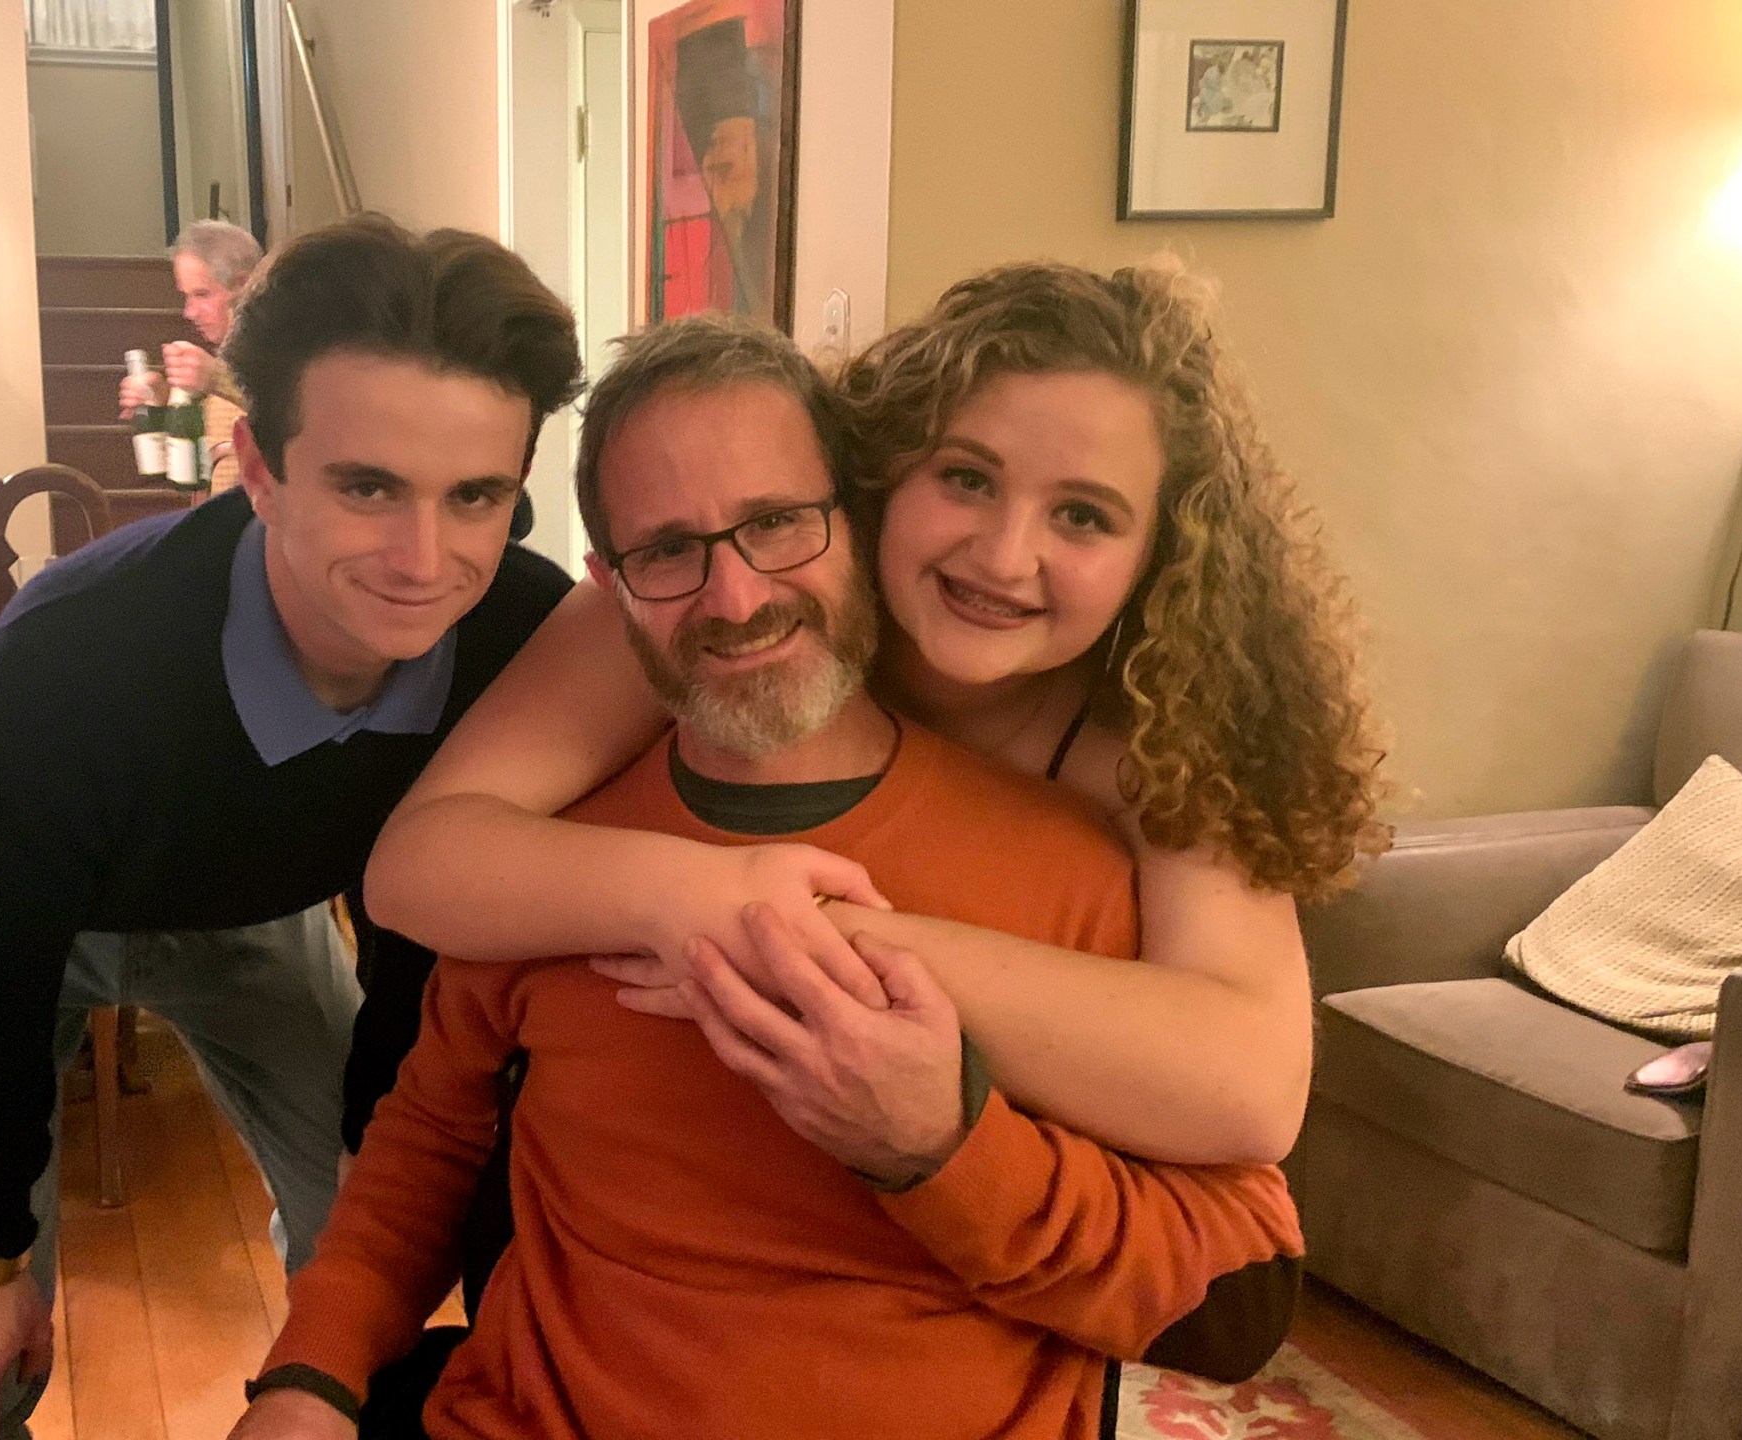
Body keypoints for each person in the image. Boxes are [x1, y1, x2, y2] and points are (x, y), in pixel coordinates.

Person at [231, 316, 1304, 1440]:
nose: (734, 599)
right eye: (667, 552)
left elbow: (1234, 1293)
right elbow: (423, 1153)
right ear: (613, 581)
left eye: (778, 523)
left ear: (853, 523)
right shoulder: (550, 869)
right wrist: (312, 1379)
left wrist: (940, 1144)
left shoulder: (1084, 856)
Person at [362, 259, 1389, 1171]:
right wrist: (697, 891)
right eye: (966, 479)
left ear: (1159, 554)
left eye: (1082, 515)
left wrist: (801, 936)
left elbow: (1247, 1090)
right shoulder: (740, 598)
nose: (1000, 556)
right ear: (878, 475)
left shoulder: (1164, 728)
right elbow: (420, 866)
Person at [0, 213, 582, 1440]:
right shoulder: (80, 650)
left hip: (243, 903)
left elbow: (425, 939)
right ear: (257, 466)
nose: (426, 558)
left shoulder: (518, 637)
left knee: (373, 1225)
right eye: (365, 487)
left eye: (476, 496)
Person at [119, 218, 264, 490]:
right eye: (186, 296)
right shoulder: (228, 357)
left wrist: (216, 378)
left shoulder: (283, 348)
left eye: (202, 294)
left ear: (243, 285)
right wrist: (162, 401)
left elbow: (292, 420)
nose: (189, 312)